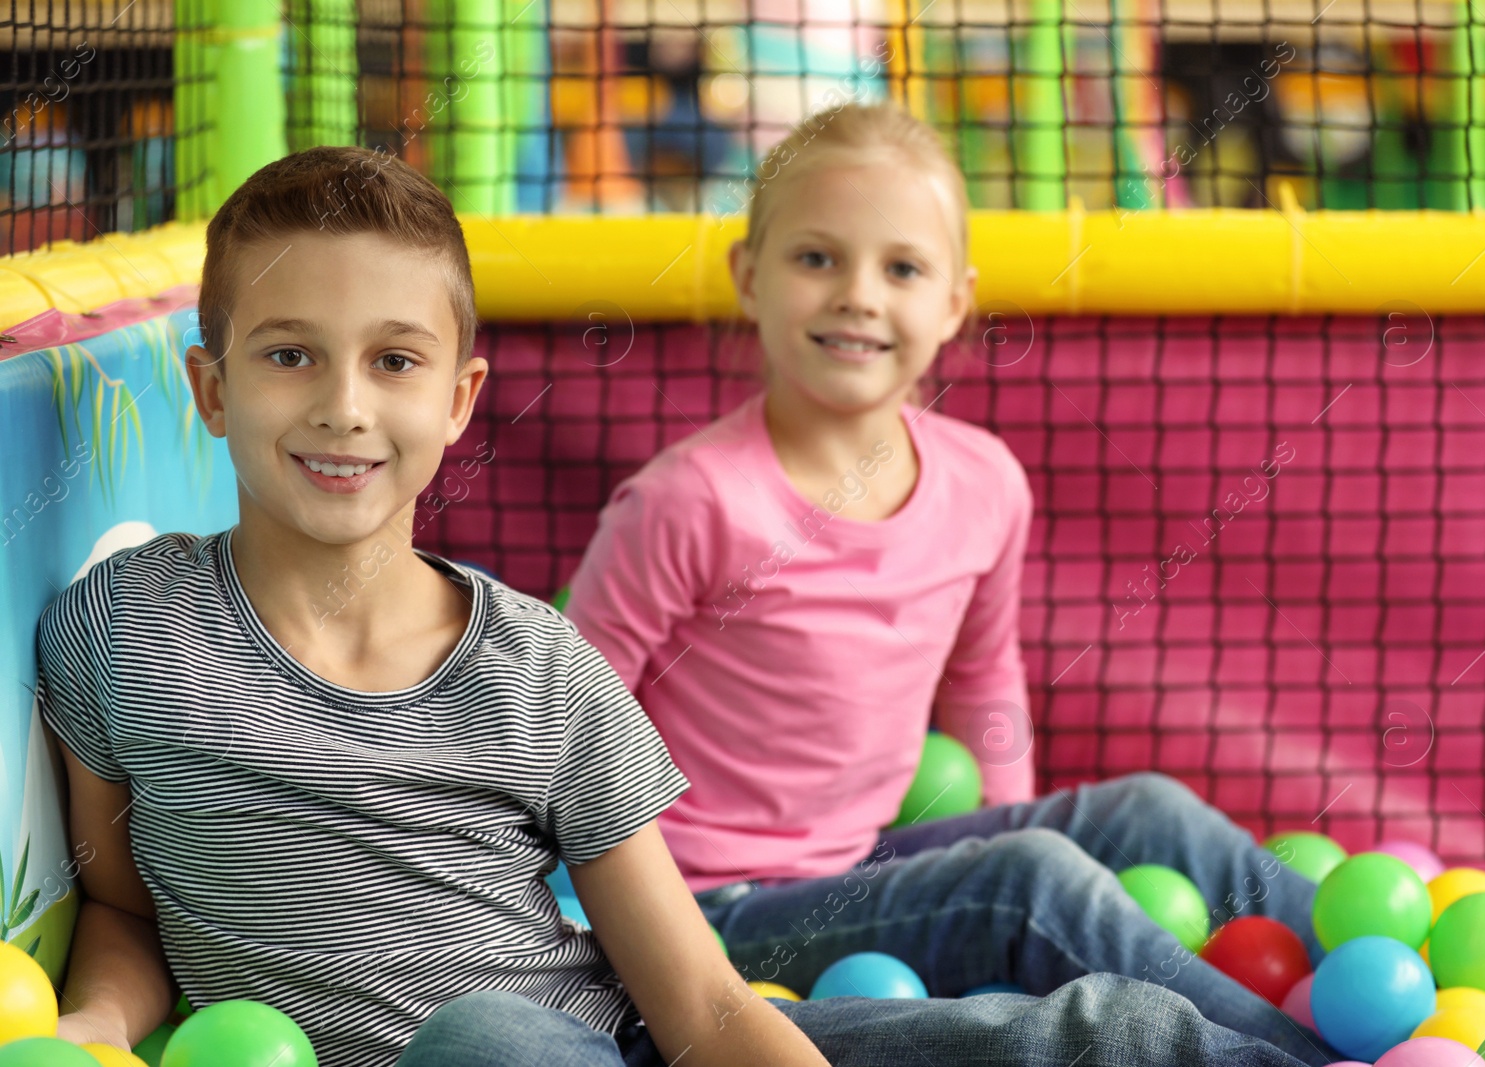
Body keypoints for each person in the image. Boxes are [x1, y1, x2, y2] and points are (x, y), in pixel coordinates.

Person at [32, 144, 1311, 1067]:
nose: (344, 405)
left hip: (600, 1040)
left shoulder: (538, 669)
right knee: (477, 1045)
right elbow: (129, 905)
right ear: (208, 384)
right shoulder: (119, 632)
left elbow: (697, 1006)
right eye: (289, 353)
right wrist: (92, 1025)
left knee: (1108, 1030)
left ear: (461, 398)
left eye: (395, 361)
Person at [562, 101, 1338, 1066]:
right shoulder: (691, 499)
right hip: (714, 910)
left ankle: (1383, 966)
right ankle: (1308, 1057)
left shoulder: (981, 481)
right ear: (748, 279)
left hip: (868, 852)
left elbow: (981, 675)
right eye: (816, 259)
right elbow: (560, 715)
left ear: (955, 303)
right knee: (1030, 883)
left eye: (902, 268)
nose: (858, 294)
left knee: (1145, 808)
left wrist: (996, 823)